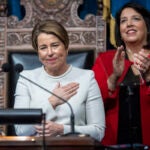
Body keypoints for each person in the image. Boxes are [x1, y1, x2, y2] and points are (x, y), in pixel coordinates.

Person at [13, 19, 105, 141]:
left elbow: (98, 132)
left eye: (55, 45)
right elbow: (21, 130)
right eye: (43, 48)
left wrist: (62, 129)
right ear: (38, 52)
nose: (50, 52)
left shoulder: (87, 78)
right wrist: (52, 101)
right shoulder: (26, 79)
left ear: (66, 47)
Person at [92, 2, 150, 146]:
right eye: (123, 21)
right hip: (113, 143)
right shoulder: (105, 60)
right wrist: (113, 78)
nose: (129, 24)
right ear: (120, 31)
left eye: (136, 19)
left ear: (147, 27)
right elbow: (92, 104)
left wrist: (148, 77)